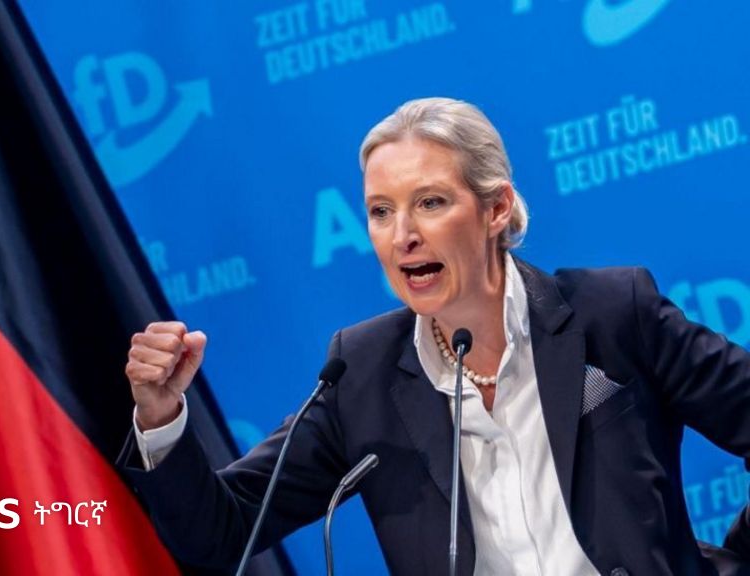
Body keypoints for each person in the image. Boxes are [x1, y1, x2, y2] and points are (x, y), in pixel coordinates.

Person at [118, 98, 750, 575]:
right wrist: (161, 415)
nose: (403, 236)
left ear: (496, 208)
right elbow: (221, 532)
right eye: (381, 211)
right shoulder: (361, 375)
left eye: (430, 202)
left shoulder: (611, 314)